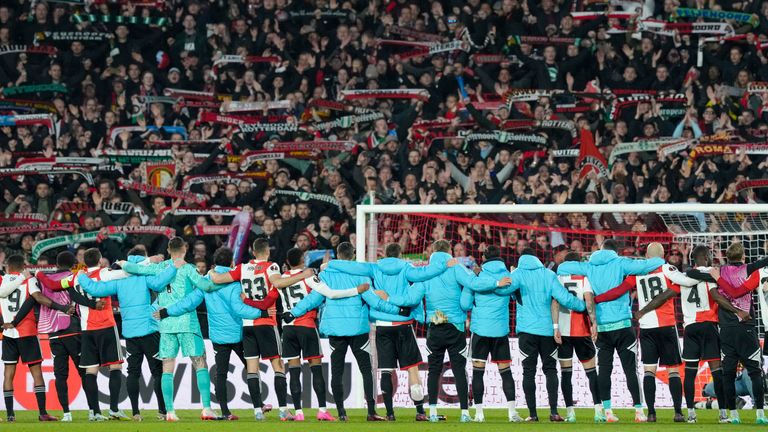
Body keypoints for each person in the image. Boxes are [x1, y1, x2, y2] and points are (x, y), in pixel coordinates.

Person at [324, 242, 453, 421]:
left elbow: (353, 266)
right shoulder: (407, 268)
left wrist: (331, 264)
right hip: (404, 325)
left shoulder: (374, 268)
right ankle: (420, 412)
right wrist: (444, 264)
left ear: (385, 254)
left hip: (382, 326)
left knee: (385, 370)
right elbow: (425, 273)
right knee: (412, 370)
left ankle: (390, 414)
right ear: (400, 254)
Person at [385, 240, 511, 423]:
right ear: (449, 251)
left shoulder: (427, 273)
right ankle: (465, 413)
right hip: (456, 327)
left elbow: (410, 298)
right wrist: (497, 282)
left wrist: (388, 297)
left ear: (433, 252)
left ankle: (433, 412)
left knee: (434, 369)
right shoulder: (456, 268)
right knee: (459, 369)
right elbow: (474, 283)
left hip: (434, 328)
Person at [282, 242, 403, 421]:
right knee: (366, 371)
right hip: (358, 330)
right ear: (352, 255)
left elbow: (312, 299)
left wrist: (293, 313)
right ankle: (371, 412)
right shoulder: (361, 275)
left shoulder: (326, 275)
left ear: (337, 255)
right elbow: (375, 302)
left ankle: (341, 413)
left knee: (337, 372)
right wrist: (398, 310)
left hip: (335, 331)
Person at [154, 247, 273, 421]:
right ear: (232, 263)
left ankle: (225, 411)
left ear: (214, 263)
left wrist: (168, 311)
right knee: (251, 369)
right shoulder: (233, 282)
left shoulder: (206, 281)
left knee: (221, 374)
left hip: (218, 336)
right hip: (237, 334)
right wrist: (261, 313)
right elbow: (238, 308)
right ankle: (258, 405)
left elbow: (189, 302)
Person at [557, 238, 664, 423]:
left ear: (601, 249)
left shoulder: (589, 266)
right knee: (630, 370)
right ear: (615, 251)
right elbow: (649, 265)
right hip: (623, 324)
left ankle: (607, 412)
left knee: (604, 371)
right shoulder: (621, 263)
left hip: (602, 327)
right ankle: (639, 412)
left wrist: (583, 264)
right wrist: (660, 258)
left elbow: (563, 268)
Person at [208, 238, 314, 421]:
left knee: (252, 369)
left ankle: (257, 411)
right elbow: (279, 283)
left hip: (248, 325)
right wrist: (303, 275)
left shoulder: (242, 268)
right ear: (268, 252)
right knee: (277, 365)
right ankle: (283, 410)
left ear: (252, 251)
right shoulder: (271, 267)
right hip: (266, 323)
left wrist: (210, 271)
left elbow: (217, 279)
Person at [117, 237, 220, 421]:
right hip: (187, 323)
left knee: (167, 366)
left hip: (165, 325)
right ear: (185, 250)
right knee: (199, 362)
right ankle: (206, 408)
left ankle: (170, 412)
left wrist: (123, 262)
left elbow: (136, 268)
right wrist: (211, 277)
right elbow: (206, 286)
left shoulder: (160, 267)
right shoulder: (188, 268)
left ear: (168, 250)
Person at [593, 242, 696, 422]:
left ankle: (650, 413)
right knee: (673, 371)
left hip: (646, 328)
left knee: (649, 371)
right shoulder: (667, 268)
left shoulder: (637, 273)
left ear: (647, 257)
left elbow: (618, 291)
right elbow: (683, 284)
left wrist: (597, 298)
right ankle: (678, 412)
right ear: (661, 255)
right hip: (667, 325)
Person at [630, 245, 734, 423]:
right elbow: (716, 296)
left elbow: (665, 295)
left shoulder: (638, 271)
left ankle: (660, 413)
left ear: (647, 255)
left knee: (657, 372)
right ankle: (713, 413)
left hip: (675, 327)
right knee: (710, 371)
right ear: (708, 257)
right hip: (696, 326)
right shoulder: (700, 274)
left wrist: (640, 312)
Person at [75, 247, 180, 421]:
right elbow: (161, 282)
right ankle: (162, 411)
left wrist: (81, 277)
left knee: (133, 372)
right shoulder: (144, 277)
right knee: (157, 371)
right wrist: (174, 267)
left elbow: (95, 290)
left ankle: (136, 413)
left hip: (130, 334)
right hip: (149, 330)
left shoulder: (120, 280)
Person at [496, 248, 585, 422]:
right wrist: (582, 307)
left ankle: (533, 414)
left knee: (528, 372)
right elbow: (565, 298)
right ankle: (553, 412)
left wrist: (500, 284)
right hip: (547, 331)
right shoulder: (548, 274)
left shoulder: (518, 274)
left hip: (526, 333)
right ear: (536, 258)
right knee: (551, 370)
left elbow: (501, 291)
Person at [691, 242, 768, 424]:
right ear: (743, 257)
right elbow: (737, 291)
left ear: (726, 257)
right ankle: (760, 415)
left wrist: (716, 276)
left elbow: (691, 273)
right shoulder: (751, 270)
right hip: (746, 328)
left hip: (725, 330)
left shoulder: (719, 272)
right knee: (755, 372)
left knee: (728, 373)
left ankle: (733, 415)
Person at [60, 248, 132, 420]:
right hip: (106, 326)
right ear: (100, 260)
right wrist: (125, 264)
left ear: (85, 262)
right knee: (115, 366)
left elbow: (62, 284)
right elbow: (127, 274)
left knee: (90, 371)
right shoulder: (104, 273)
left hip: (87, 329)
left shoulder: (78, 277)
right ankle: (113, 408)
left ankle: (95, 413)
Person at [459, 245, 522, 423]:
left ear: (485, 257)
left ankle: (479, 414)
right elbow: (515, 295)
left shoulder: (477, 277)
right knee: (506, 372)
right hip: (500, 331)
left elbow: (465, 304)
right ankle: (512, 413)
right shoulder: (509, 277)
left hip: (480, 330)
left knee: (478, 372)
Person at [0, 255, 58, 422]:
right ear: (23, 266)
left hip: (8, 333)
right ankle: (42, 413)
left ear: (8, 267)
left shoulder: (3, 281)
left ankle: (10, 415)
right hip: (27, 332)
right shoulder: (28, 279)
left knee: (8, 374)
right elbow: (38, 298)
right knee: (36, 372)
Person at [33, 251, 86, 422]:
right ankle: (94, 411)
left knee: (60, 375)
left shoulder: (44, 280)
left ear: (56, 263)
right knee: (83, 371)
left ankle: (66, 414)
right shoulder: (74, 277)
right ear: (72, 264)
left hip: (53, 331)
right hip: (72, 328)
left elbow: (36, 300)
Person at [552, 251, 600, 423]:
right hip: (582, 331)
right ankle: (598, 411)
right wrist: (594, 323)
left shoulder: (558, 279)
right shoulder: (584, 278)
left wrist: (555, 327)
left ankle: (570, 413)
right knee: (592, 373)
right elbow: (589, 301)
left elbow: (555, 302)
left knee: (566, 373)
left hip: (563, 332)